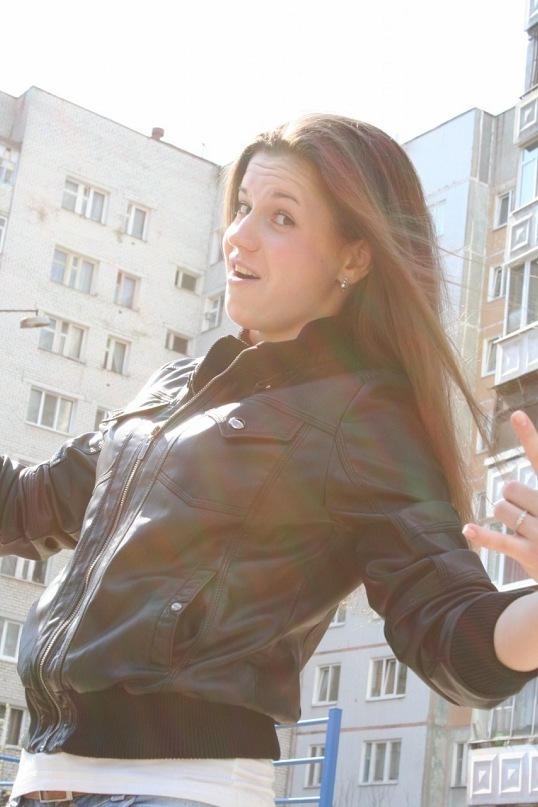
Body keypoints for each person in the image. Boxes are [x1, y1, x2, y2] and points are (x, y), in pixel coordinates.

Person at [3, 113, 538, 807]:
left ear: (354, 258)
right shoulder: (171, 391)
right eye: (243, 207)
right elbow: (26, 503)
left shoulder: (364, 415)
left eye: (281, 217)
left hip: (176, 791)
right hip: (45, 780)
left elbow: (450, 629)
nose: (239, 235)